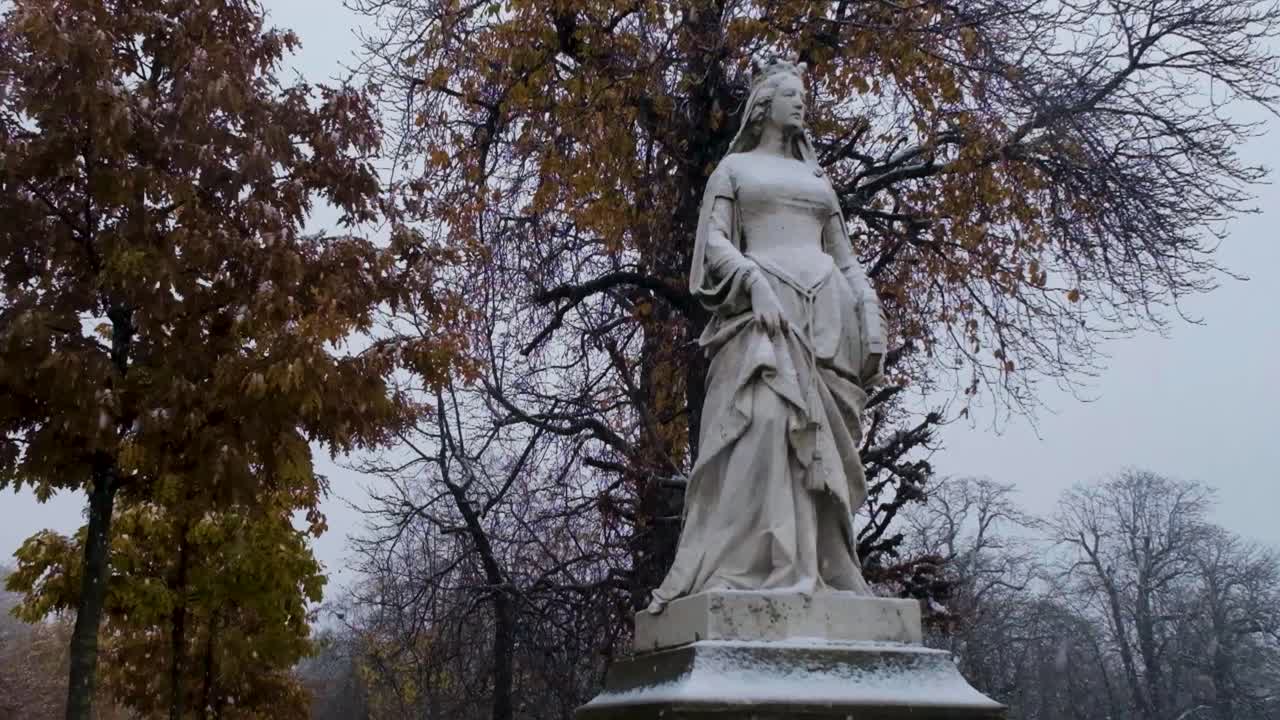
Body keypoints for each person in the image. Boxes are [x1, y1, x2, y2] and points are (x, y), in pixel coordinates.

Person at [647, 57, 886, 614]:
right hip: (763, 316)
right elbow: (715, 247)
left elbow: (846, 259)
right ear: (762, 106)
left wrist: (871, 314)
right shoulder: (733, 171)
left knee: (821, 446)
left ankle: (825, 566)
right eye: (788, 94)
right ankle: (760, 564)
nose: (800, 103)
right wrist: (754, 283)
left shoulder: (816, 178)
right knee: (765, 427)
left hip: (829, 315)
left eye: (803, 95)